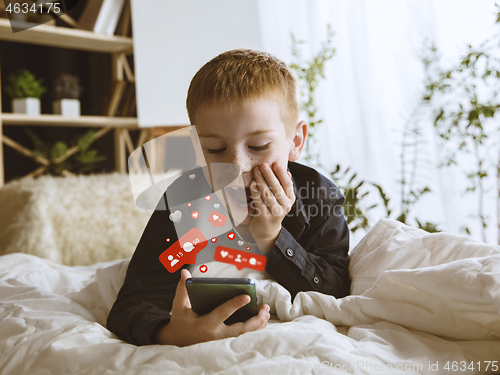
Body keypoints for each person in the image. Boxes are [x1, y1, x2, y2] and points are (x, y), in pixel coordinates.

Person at [107, 49, 351, 347]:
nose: (236, 168)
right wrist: (170, 333)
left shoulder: (319, 196)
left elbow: (336, 292)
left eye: (259, 146)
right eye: (215, 150)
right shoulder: (182, 202)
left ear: (295, 141)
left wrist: (272, 237)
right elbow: (135, 300)